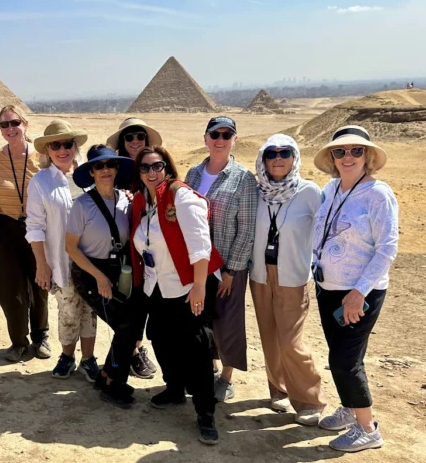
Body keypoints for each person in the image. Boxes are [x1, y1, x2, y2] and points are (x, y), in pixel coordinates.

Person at [311, 125, 398, 452]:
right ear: (332, 158)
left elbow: (387, 248)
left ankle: (368, 429)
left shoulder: (378, 194)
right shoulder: (331, 189)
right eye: (340, 151)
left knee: (345, 361)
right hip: (328, 288)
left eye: (356, 151)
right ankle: (350, 408)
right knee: (341, 355)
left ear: (368, 156)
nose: (348, 157)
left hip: (358, 293)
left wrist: (359, 292)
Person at [130, 146, 224, 445]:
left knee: (195, 345)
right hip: (156, 284)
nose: (151, 173)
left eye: (156, 166)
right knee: (159, 335)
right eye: (144, 168)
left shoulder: (181, 196)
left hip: (186, 286)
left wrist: (198, 287)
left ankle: (205, 411)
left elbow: (200, 246)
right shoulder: (144, 202)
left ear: (167, 168)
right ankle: (174, 387)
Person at [249, 134, 326, 424]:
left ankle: (310, 400)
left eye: (285, 153)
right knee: (269, 337)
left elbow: (325, 231)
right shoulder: (256, 192)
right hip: (259, 275)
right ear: (263, 160)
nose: (278, 159)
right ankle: (278, 389)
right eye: (271, 153)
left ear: (294, 158)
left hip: (293, 276)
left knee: (290, 341)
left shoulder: (308, 192)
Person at [185, 116, 257, 402]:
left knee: (227, 322)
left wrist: (232, 270)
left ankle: (226, 378)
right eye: (214, 133)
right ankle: (210, 369)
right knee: (200, 320)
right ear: (205, 138)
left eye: (227, 134)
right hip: (198, 265)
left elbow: (247, 227)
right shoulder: (193, 174)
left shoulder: (244, 178)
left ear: (234, 140)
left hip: (228, 265)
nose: (220, 139)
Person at [66, 145, 138, 407]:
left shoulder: (125, 200)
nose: (105, 170)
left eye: (110, 164)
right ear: (92, 172)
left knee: (132, 322)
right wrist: (98, 277)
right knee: (124, 325)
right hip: (90, 273)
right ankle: (112, 384)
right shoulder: (82, 205)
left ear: (117, 168)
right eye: (99, 166)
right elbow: (71, 247)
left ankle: (108, 374)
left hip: (119, 271)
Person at [26, 120, 99, 380]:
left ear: (75, 146)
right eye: (55, 145)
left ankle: (89, 359)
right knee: (68, 310)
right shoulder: (40, 181)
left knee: (90, 309)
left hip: (91, 258)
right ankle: (67, 356)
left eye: (67, 144)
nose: (62, 149)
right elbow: (34, 226)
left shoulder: (90, 176)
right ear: (47, 150)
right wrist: (42, 264)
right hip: (61, 259)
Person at [0, 105, 49, 362]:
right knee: (10, 287)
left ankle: (41, 336)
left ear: (25, 124)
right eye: (4, 125)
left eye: (14, 123)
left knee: (40, 283)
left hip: (36, 227)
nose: (10, 129)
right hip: (4, 227)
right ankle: (18, 340)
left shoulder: (43, 158)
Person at [106, 117, 161, 379]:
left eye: (140, 136)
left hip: (153, 246)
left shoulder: (155, 166)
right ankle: (134, 351)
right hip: (123, 247)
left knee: (144, 300)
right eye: (129, 137)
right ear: (121, 143)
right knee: (129, 300)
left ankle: (135, 348)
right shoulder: (114, 168)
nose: (135, 141)